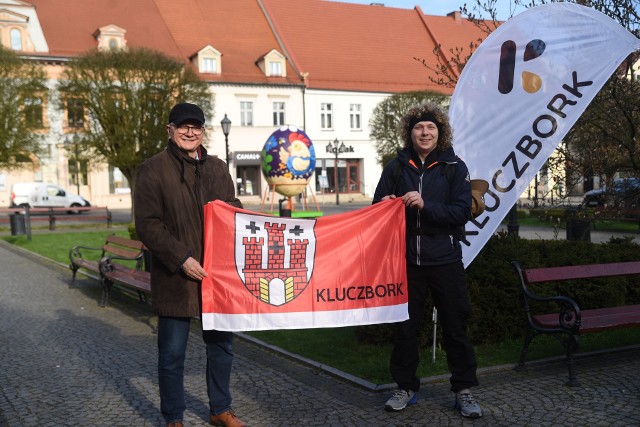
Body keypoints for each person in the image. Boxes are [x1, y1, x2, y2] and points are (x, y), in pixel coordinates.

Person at [134, 102, 246, 427]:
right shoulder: (152, 169)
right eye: (183, 125)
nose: (189, 131)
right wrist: (181, 258)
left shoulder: (217, 168)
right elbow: (148, 224)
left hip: (216, 276)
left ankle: (220, 409)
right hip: (176, 277)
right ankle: (173, 417)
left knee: (222, 348)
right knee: (171, 354)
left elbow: (232, 208)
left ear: (202, 131)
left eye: (195, 126)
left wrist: (233, 210)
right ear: (169, 129)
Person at [372, 102, 482, 418]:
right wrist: (386, 203)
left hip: (445, 259)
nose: (425, 132)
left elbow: (461, 212)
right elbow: (375, 208)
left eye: (431, 127)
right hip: (406, 261)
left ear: (440, 133)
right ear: (410, 132)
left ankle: (463, 391)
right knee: (406, 329)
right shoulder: (396, 167)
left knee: (455, 326)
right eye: (419, 127)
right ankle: (405, 387)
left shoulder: (454, 166)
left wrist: (425, 205)